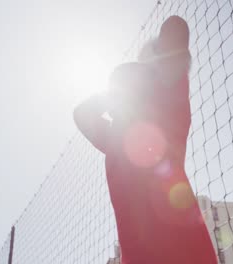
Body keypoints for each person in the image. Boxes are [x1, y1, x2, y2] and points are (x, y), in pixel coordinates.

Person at [74, 16, 218, 264]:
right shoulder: (114, 140)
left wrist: (142, 72)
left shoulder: (170, 116)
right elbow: (80, 114)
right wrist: (121, 88)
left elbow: (175, 27)